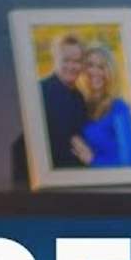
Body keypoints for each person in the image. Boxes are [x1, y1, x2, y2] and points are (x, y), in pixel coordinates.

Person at [74, 42, 131, 168]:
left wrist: (93, 160)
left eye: (101, 67)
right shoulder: (80, 105)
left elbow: (128, 160)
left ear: (110, 72)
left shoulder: (119, 108)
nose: (95, 71)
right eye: (90, 65)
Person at [38, 33, 90, 170]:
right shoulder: (39, 92)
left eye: (77, 61)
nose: (71, 66)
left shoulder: (79, 97)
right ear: (55, 59)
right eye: (66, 60)